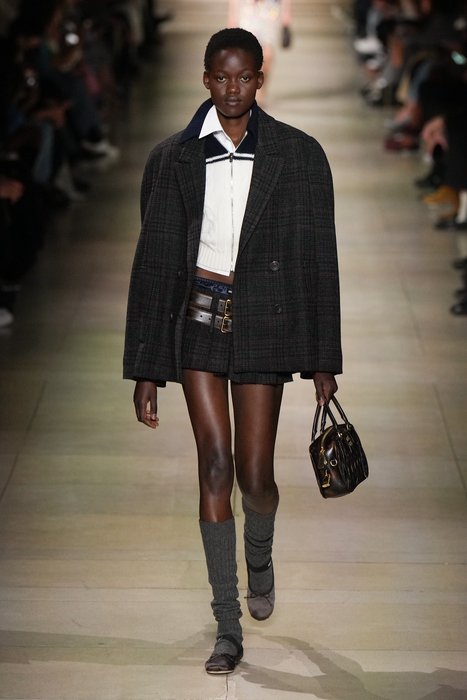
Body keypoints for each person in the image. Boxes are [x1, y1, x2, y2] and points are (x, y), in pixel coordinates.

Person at [124, 28, 342, 675]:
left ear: (259, 79)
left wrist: (322, 358)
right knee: (215, 465)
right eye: (220, 77)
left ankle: (259, 553)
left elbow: (318, 259)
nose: (232, 89)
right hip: (197, 317)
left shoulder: (298, 155)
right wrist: (146, 368)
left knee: (255, 475)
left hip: (264, 320)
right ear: (205, 79)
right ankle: (227, 625)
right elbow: (155, 263)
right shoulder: (172, 159)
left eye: (244, 77)